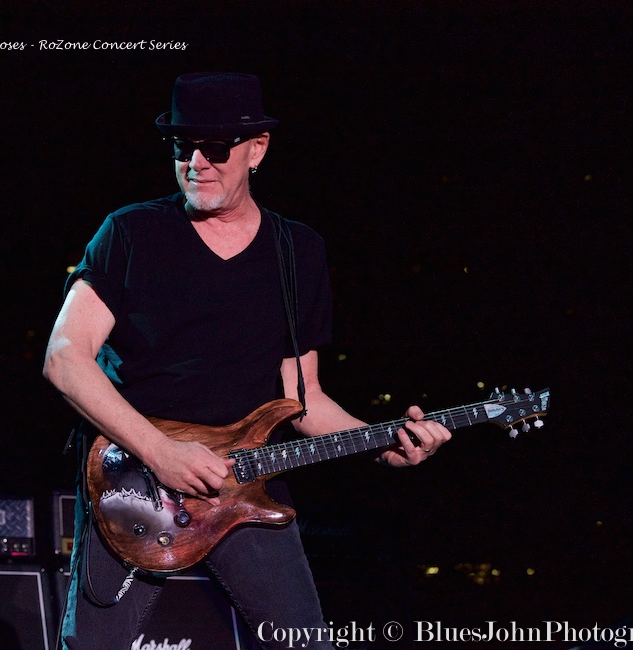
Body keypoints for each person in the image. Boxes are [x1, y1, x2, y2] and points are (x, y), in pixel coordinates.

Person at [43, 72, 451, 650]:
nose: (197, 164)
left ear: (257, 149)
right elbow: (64, 358)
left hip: (245, 486)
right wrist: (159, 451)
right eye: (184, 148)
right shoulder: (131, 232)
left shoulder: (296, 251)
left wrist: (383, 443)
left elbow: (303, 397)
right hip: (131, 480)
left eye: (215, 148)